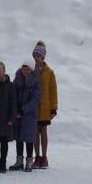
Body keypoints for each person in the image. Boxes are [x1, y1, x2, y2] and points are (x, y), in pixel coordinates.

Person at [33, 41, 58, 169]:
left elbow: (53, 90)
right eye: (35, 55)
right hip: (34, 107)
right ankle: (36, 156)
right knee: (34, 133)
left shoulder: (49, 72)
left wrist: (54, 108)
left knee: (43, 132)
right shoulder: (31, 69)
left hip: (45, 108)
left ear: (43, 57)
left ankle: (44, 157)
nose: (36, 58)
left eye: (38, 56)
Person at [12, 61, 41, 172]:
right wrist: (15, 109)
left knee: (28, 139)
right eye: (23, 68)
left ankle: (29, 161)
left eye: (27, 69)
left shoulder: (35, 82)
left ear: (31, 70)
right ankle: (19, 161)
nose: (25, 71)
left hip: (29, 115)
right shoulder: (17, 80)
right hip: (18, 114)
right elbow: (13, 95)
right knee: (19, 138)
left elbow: (35, 100)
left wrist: (24, 110)